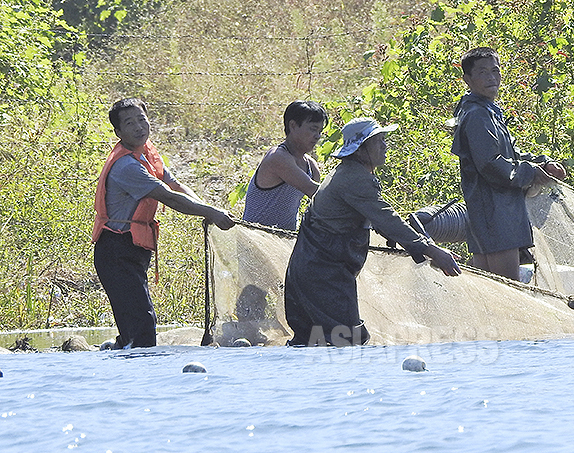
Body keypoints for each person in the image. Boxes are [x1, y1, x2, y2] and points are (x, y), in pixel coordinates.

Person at [284, 117, 461, 347]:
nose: (384, 146)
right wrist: (432, 251)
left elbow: (379, 219)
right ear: (360, 150)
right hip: (323, 274)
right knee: (349, 341)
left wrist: (421, 245)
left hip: (312, 270)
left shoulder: (350, 173)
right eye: (378, 142)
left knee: (310, 343)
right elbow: (387, 219)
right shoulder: (354, 179)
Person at [92, 98, 235, 349]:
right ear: (118, 132)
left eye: (141, 119)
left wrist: (206, 211)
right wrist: (211, 212)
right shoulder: (126, 166)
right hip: (116, 249)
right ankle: (136, 378)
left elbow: (176, 186)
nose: (138, 127)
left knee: (135, 326)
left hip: (132, 249)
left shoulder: (146, 153)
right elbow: (167, 196)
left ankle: (125, 368)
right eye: (129, 123)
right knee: (142, 325)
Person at [451, 47, 567, 281]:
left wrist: (543, 162)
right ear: (467, 79)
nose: (492, 77)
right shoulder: (477, 115)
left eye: (495, 71)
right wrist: (532, 173)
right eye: (483, 72)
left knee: (489, 287)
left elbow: (510, 153)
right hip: (495, 213)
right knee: (507, 290)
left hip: (496, 211)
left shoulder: (487, 110)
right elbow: (492, 165)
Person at [242, 101, 328, 231]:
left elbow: (320, 204)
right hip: (255, 239)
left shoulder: (310, 165)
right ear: (293, 126)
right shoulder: (278, 157)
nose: (317, 136)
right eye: (313, 129)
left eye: (320, 131)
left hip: (283, 241)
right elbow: (314, 191)